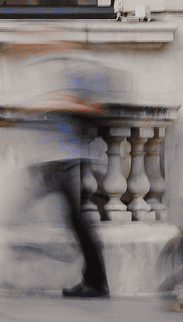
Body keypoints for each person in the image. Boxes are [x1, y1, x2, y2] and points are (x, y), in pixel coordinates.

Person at [10, 32, 112, 299]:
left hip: (68, 155)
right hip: (48, 155)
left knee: (75, 220)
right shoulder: (54, 68)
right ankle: (89, 276)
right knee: (61, 217)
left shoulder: (84, 69)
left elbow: (96, 108)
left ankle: (93, 279)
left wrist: (59, 103)